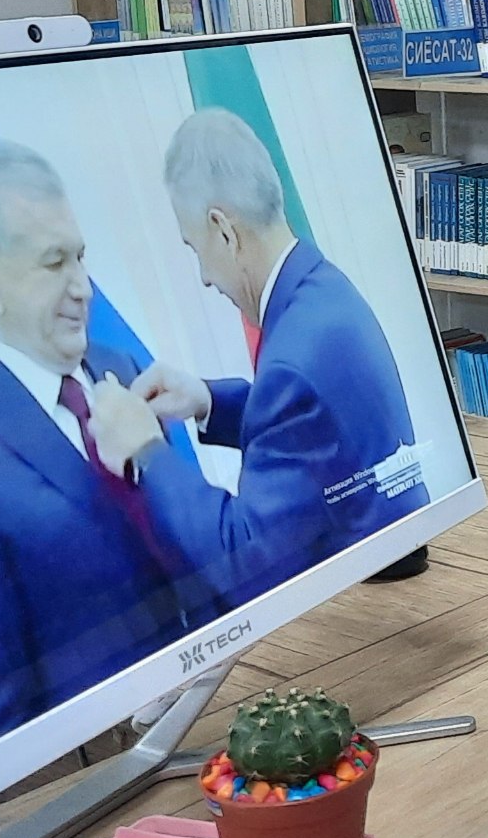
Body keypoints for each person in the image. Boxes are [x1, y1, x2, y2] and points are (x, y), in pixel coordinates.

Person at [0, 138, 196, 760]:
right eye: (55, 263)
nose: (84, 287)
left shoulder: (125, 372)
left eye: (80, 256)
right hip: (105, 787)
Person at [125, 108, 428, 607]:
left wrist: (147, 450)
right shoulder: (324, 288)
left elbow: (240, 560)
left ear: (223, 230)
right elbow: (317, 425)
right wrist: (209, 402)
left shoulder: (289, 362)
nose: (204, 277)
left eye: (195, 249)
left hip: (371, 604)